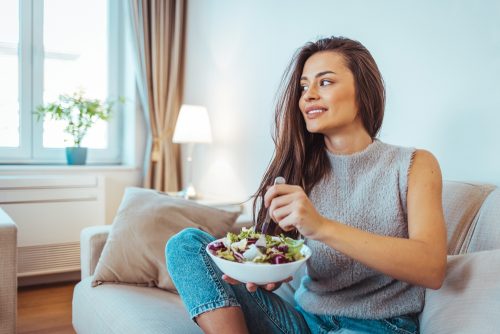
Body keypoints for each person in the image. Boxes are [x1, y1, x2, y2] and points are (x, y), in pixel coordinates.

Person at [166, 36, 447, 334]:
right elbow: (280, 257)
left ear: (363, 90)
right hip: (302, 323)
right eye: (303, 87)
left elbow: (432, 268)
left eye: (325, 83)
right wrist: (263, 272)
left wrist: (321, 226)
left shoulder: (413, 166)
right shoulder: (300, 169)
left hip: (379, 327)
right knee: (185, 246)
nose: (308, 96)